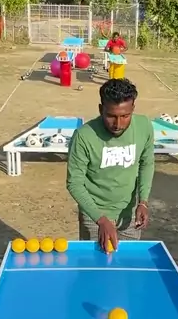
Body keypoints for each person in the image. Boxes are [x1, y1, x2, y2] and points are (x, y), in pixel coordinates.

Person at [66, 78, 155, 251]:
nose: (118, 124)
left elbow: (147, 163)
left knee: (127, 264)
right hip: (94, 216)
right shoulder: (83, 136)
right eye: (111, 116)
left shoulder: (144, 126)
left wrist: (143, 201)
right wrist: (100, 220)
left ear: (133, 109)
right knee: (96, 265)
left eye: (125, 116)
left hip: (129, 215)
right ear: (101, 109)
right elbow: (74, 183)